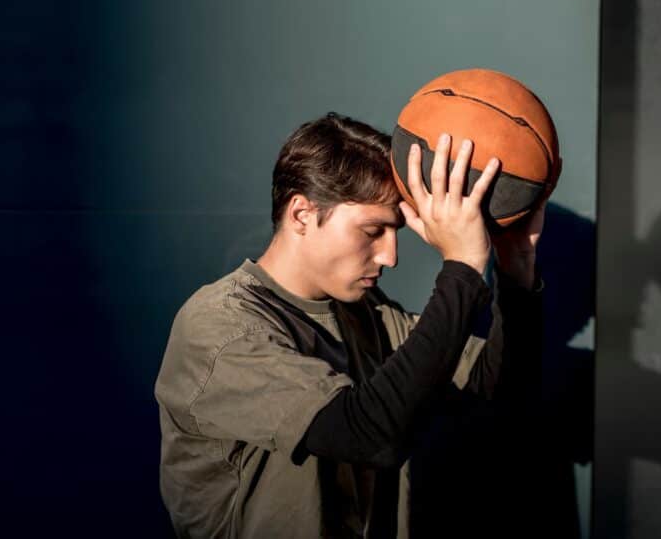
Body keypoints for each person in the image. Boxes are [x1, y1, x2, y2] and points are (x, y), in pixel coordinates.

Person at [155, 112, 544, 538]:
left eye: (394, 231)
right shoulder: (221, 328)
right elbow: (368, 434)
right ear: (302, 214)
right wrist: (464, 268)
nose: (390, 256)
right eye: (373, 230)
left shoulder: (364, 314)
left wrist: (515, 271)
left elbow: (494, 383)